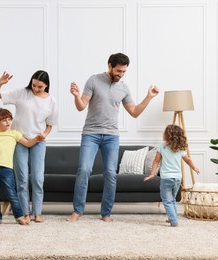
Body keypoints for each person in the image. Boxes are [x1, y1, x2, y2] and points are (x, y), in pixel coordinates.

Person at [68, 53, 160, 222]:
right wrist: (75, 96)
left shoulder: (123, 88)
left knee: (110, 173)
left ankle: (106, 213)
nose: (121, 74)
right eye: (118, 70)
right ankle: (78, 210)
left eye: (124, 72)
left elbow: (134, 112)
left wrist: (149, 97)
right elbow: (81, 107)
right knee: (84, 170)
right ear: (109, 66)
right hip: (91, 134)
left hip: (111, 136)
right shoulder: (93, 80)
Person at [0, 70, 57, 223]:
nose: (36, 88)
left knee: (37, 178)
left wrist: (44, 135)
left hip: (38, 141)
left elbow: (50, 125)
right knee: (21, 178)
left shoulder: (51, 101)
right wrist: (0, 83)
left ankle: (37, 212)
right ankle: (25, 213)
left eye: (40, 87)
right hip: (19, 139)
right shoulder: (22, 93)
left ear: (46, 85)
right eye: (34, 85)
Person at [144, 124, 200, 227]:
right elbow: (187, 160)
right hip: (178, 178)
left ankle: (174, 221)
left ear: (167, 135)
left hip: (166, 178)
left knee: (167, 200)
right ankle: (172, 217)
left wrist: (152, 174)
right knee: (172, 200)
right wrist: (194, 168)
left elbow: (156, 161)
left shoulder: (162, 146)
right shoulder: (180, 148)